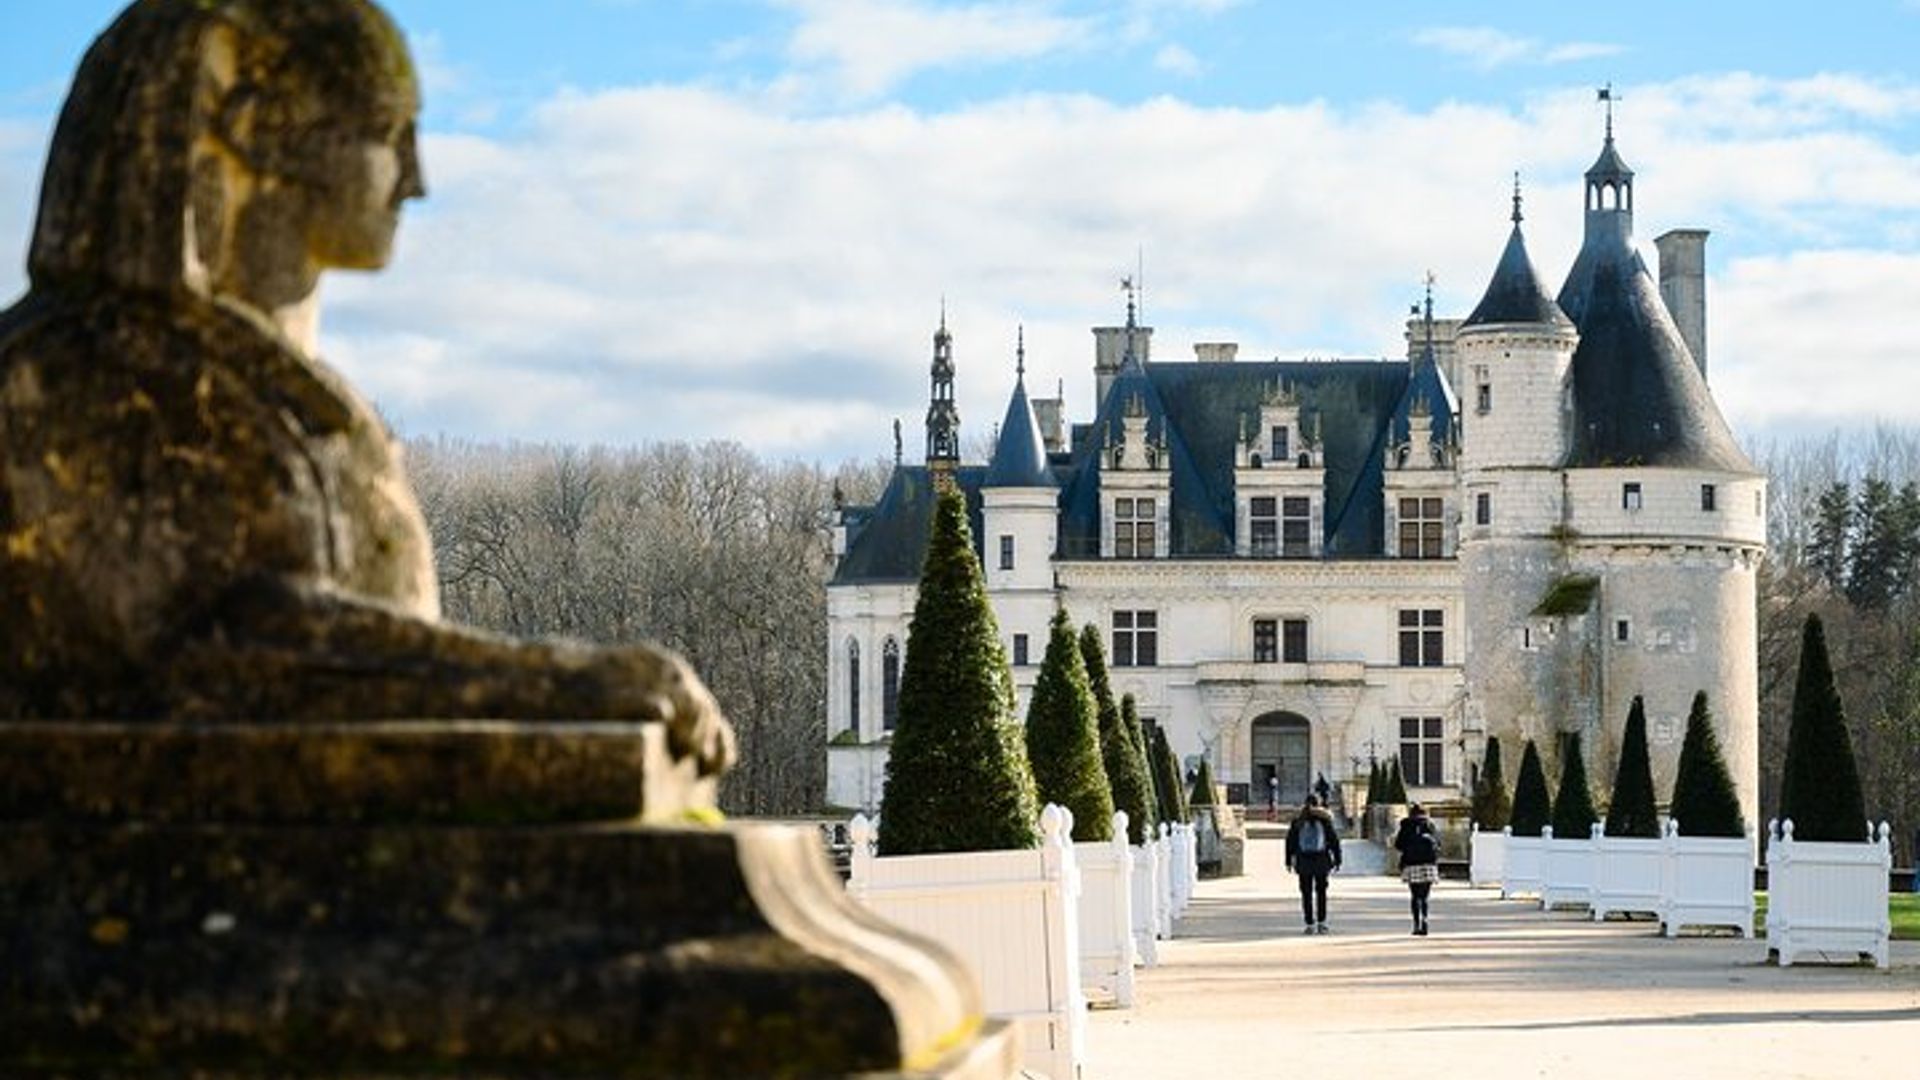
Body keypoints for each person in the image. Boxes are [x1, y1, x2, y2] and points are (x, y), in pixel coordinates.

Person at [0, 0, 729, 777]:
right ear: (258, 127)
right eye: (386, 132)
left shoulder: (258, 388)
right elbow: (224, 654)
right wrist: (555, 684)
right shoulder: (82, 382)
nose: (415, 180)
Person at [1285, 793, 1342, 934]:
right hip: (1321, 860)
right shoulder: (1325, 820)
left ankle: (1309, 923)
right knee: (1321, 892)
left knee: (1306, 893)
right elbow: (1334, 841)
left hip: (1303, 861)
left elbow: (1290, 842)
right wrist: (1337, 859)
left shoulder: (1298, 820)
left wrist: (1288, 860)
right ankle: (1322, 923)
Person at [1394, 801, 1441, 935]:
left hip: (1411, 864)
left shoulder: (1406, 825)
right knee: (1425, 896)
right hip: (1428, 864)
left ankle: (1416, 924)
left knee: (1415, 896)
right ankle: (1425, 919)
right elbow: (1438, 844)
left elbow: (1398, 845)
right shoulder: (1430, 825)